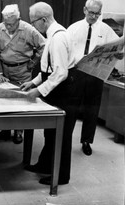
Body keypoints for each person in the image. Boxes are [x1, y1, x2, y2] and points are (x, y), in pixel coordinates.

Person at [20, 2, 81, 185]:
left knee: (61, 135)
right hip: (56, 88)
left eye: (33, 22)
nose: (33, 26)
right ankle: (45, 165)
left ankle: (61, 176)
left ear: (44, 20)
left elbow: (60, 72)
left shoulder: (59, 38)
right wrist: (34, 81)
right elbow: (48, 68)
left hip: (65, 91)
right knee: (50, 132)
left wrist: (38, 91)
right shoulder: (52, 35)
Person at [67, 0, 119, 156]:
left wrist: (119, 54)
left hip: (95, 74)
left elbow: (116, 47)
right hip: (76, 72)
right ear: (84, 10)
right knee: (71, 108)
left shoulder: (106, 29)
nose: (94, 16)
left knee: (92, 108)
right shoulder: (73, 28)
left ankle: (86, 141)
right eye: (91, 12)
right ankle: (65, 139)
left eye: (97, 13)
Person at [0, 4, 45, 144]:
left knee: (20, 100)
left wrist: (34, 61)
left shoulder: (28, 29)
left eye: (11, 24)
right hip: (4, 69)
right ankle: (5, 128)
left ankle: (19, 131)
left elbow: (44, 45)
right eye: (6, 23)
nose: (8, 27)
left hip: (22, 70)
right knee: (3, 100)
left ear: (18, 19)